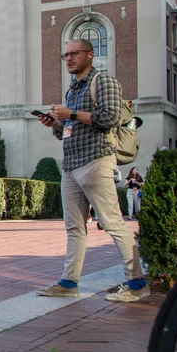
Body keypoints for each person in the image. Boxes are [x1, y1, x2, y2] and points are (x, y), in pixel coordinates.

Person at [35, 38, 149, 303]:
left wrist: (71, 114)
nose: (69, 59)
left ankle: (137, 282)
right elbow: (68, 131)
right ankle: (68, 282)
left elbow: (110, 118)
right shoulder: (72, 91)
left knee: (112, 223)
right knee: (74, 227)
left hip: (97, 160)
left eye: (74, 53)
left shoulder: (104, 81)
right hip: (71, 165)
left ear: (90, 55)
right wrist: (55, 122)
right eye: (66, 55)